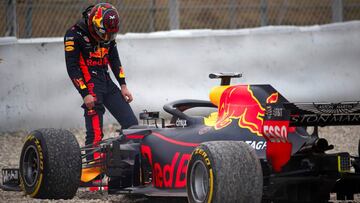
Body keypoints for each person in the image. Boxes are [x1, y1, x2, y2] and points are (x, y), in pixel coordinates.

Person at [64, 3, 138, 161]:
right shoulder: (74, 34)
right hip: (90, 86)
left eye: (111, 35)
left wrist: (123, 85)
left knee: (132, 126)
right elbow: (72, 68)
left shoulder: (108, 32)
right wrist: (84, 93)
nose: (107, 39)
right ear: (94, 24)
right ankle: (93, 177)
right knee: (95, 134)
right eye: (104, 34)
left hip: (106, 81)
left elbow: (114, 59)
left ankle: (124, 165)